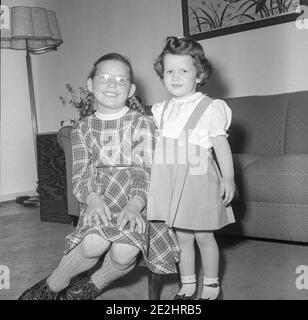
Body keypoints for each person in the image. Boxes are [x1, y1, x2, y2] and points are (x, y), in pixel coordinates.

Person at [19, 52, 180, 300]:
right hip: (100, 198)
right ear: (91, 84)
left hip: (138, 201)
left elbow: (145, 170)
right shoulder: (82, 128)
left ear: (131, 89)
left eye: (120, 79)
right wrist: (93, 199)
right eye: (104, 77)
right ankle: (51, 287)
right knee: (94, 244)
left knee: (124, 251)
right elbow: (82, 171)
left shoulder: (142, 123)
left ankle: (83, 291)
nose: (112, 84)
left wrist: (135, 205)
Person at [147, 37, 236, 300]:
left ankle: (211, 284)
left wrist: (228, 177)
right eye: (169, 71)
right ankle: (187, 283)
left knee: (203, 235)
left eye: (183, 70)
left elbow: (220, 145)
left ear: (199, 74)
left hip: (198, 177)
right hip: (172, 178)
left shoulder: (210, 107)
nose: (175, 77)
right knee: (182, 237)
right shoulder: (160, 110)